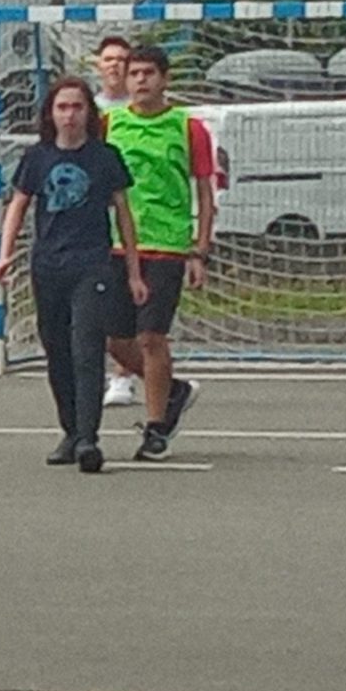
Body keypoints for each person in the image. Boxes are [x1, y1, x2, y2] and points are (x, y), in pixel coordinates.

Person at [0, 76, 147, 473]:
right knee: (57, 351)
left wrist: (133, 271)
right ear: (51, 114)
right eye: (62, 107)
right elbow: (18, 206)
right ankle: (70, 431)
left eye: (77, 107)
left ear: (88, 113)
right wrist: (4, 255)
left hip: (91, 264)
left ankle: (89, 439)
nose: (70, 115)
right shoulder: (37, 158)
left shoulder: (104, 157)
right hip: (48, 266)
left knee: (87, 349)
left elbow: (124, 216)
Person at [101, 43, 217, 462]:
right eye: (134, 73)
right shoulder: (110, 123)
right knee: (115, 340)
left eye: (149, 73)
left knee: (151, 336)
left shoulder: (188, 128)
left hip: (167, 245)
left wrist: (199, 251)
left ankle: (155, 428)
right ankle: (174, 389)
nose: (141, 80)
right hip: (117, 245)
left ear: (164, 79)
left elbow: (205, 191)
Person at [89, 33, 141, 410]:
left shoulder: (143, 110)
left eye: (122, 59)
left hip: (139, 214)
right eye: (109, 59)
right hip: (95, 218)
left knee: (133, 302)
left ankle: (126, 376)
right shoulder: (88, 111)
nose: (115, 65)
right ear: (98, 64)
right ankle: (119, 371)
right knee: (101, 303)